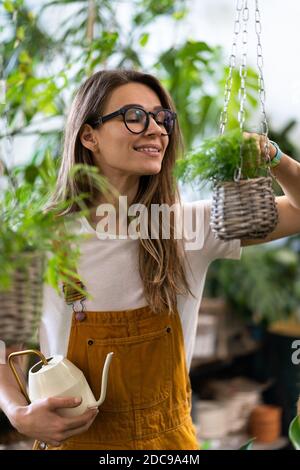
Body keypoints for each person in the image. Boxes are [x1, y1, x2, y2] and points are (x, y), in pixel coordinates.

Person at [1, 69, 300, 450]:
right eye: (134, 116)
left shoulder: (190, 225)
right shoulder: (41, 238)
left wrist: (274, 157)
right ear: (89, 135)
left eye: (163, 118)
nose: (157, 129)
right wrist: (17, 412)